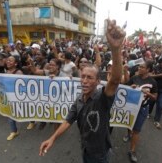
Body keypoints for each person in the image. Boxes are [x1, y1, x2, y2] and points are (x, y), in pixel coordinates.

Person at [39, 19, 125, 163]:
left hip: (100, 155)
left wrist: (116, 49)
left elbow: (115, 80)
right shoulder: (79, 100)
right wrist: (52, 138)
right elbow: (68, 121)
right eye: (83, 76)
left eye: (90, 77)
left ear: (98, 82)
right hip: (85, 149)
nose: (84, 80)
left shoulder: (102, 98)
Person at [123, 60, 157, 162]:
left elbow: (155, 97)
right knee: (129, 124)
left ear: (148, 69)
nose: (139, 68)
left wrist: (148, 94)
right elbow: (125, 87)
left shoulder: (153, 82)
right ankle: (129, 133)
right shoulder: (134, 78)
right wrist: (131, 87)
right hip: (131, 107)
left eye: (142, 67)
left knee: (136, 130)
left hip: (143, 108)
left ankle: (132, 151)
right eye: (139, 67)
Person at [5, 55, 23, 140]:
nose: (8, 62)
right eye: (8, 60)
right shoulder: (7, 71)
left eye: (11, 61)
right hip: (10, 98)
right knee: (10, 114)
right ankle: (14, 131)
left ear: (15, 64)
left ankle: (32, 121)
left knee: (25, 111)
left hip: (19, 98)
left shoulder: (19, 73)